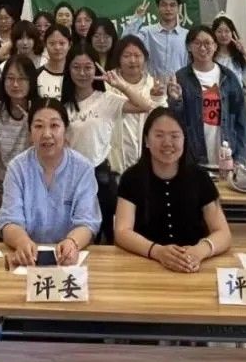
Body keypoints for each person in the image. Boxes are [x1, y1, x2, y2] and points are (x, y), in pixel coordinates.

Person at [115, 108, 232, 272]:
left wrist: (200, 251)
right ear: (146, 140)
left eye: (175, 136)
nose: (167, 143)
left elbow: (223, 233)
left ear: (184, 139)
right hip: (145, 265)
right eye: (159, 135)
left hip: (193, 266)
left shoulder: (200, 178)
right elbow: (122, 232)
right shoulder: (131, 178)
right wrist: (157, 251)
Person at [60, 43, 154, 242]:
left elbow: (145, 106)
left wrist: (120, 85)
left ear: (96, 69)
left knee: (108, 232)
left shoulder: (107, 99)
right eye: (76, 67)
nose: (82, 73)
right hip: (70, 175)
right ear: (68, 69)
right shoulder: (62, 104)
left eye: (88, 67)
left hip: (100, 174)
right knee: (77, 231)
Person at [0, 99, 101, 267]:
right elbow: (9, 220)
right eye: (38, 126)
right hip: (29, 260)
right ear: (30, 133)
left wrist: (72, 242)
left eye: (54, 126)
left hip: (68, 260)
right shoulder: (17, 168)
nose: (46, 134)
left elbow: (87, 222)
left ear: (66, 131)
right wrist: (22, 242)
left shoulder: (83, 169)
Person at [167, 26, 246, 169]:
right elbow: (175, 122)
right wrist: (175, 101)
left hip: (227, 159)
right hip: (193, 161)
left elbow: (242, 120)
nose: (202, 48)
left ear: (215, 46)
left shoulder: (228, 77)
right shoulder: (180, 78)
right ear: (189, 47)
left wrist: (240, 158)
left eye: (207, 43)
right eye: (197, 43)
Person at [0, 56, 36, 209]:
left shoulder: (41, 111)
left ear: (31, 81)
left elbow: (46, 156)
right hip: (4, 188)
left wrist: (33, 126)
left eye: (22, 79)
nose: (15, 84)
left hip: (37, 187)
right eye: (10, 78)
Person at [107, 36, 167, 173]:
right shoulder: (108, 84)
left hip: (147, 160)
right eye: (126, 56)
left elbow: (163, 118)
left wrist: (158, 98)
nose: (132, 60)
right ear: (118, 59)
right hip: (114, 162)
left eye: (137, 55)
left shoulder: (153, 84)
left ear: (144, 58)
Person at [122, 0, 189, 78]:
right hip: (152, 84)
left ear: (178, 9)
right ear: (158, 8)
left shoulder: (187, 35)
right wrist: (137, 17)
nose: (168, 9)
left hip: (180, 84)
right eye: (164, 5)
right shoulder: (147, 32)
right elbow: (125, 42)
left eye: (172, 5)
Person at [211, 16, 246, 93]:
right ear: (213, 33)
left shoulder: (239, 54)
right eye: (219, 31)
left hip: (238, 95)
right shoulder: (210, 55)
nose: (223, 35)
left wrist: (243, 50)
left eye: (227, 31)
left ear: (232, 33)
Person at [36, 24, 71, 100]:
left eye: (62, 43)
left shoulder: (75, 73)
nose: (57, 48)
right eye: (52, 43)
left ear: (69, 45)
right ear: (45, 44)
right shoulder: (37, 75)